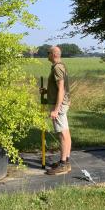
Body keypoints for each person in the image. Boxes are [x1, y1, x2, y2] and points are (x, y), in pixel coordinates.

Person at [40, 45, 71, 175]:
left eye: (48, 53)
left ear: (53, 54)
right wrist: (47, 91)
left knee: (62, 134)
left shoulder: (57, 68)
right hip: (62, 103)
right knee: (65, 132)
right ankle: (66, 161)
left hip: (59, 105)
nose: (47, 55)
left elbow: (62, 89)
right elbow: (58, 88)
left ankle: (64, 164)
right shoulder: (59, 66)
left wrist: (56, 110)